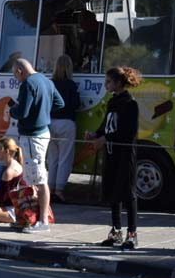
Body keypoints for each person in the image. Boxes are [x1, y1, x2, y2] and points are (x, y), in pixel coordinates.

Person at [88, 67, 142, 251]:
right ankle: (116, 230)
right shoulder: (113, 102)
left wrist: (106, 139)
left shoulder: (130, 104)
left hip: (125, 154)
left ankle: (132, 234)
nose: (106, 85)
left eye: (108, 82)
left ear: (118, 83)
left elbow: (127, 132)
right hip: (111, 153)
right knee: (113, 191)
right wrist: (96, 134)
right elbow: (107, 125)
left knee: (128, 193)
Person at [9, 57, 64, 233]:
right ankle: (29, 217)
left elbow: (22, 112)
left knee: (39, 179)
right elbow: (59, 103)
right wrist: (42, 110)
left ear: (19, 71)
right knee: (31, 177)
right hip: (43, 132)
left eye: (15, 75)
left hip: (32, 135)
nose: (16, 79)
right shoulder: (45, 80)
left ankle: (42, 222)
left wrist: (11, 110)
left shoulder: (27, 84)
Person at [47, 55, 80, 203]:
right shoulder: (71, 85)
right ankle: (59, 190)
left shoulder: (49, 83)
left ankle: (50, 187)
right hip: (66, 123)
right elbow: (76, 104)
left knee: (52, 158)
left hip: (49, 123)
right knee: (65, 158)